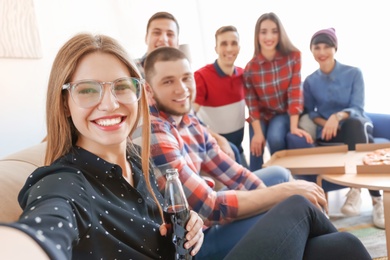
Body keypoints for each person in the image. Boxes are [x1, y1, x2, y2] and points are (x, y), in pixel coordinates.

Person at [137, 46, 371, 260]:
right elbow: (209, 206)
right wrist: (282, 195)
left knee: (279, 175)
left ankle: (307, 240)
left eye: (186, 78)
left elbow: (234, 174)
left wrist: (275, 199)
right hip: (197, 245)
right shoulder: (155, 132)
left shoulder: (188, 120)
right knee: (298, 206)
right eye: (168, 82)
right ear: (149, 89)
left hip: (208, 224)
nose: (182, 88)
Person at [0, 33, 205, 259]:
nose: (110, 104)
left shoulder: (136, 156)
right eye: (87, 90)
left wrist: (189, 229)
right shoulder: (63, 184)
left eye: (122, 86)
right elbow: (42, 231)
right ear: (65, 104)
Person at [287, 28, 384, 229]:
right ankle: (375, 199)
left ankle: (362, 193)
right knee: (365, 141)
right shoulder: (310, 82)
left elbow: (357, 107)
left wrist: (336, 116)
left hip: (355, 125)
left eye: (326, 46)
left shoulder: (354, 73)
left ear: (335, 48)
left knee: (355, 126)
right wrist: (327, 123)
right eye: (317, 47)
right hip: (329, 133)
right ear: (312, 51)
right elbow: (311, 113)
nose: (322, 51)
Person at [135, 11, 241, 165]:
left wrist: (217, 138)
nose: (163, 39)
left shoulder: (181, 69)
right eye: (156, 33)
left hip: (188, 139)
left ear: (177, 42)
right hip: (159, 147)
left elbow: (189, 116)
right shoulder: (132, 72)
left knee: (231, 150)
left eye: (170, 34)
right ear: (146, 37)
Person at [243, 12, 313, 171]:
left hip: (283, 113)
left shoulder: (293, 57)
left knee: (275, 138)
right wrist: (258, 133)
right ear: (257, 35)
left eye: (274, 31)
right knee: (255, 145)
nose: (269, 36)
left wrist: (294, 127)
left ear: (280, 33)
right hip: (261, 115)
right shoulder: (250, 68)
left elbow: (295, 93)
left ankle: (283, 180)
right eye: (264, 32)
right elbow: (252, 105)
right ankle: (255, 190)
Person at [193, 25, 248, 168]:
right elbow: (189, 118)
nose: (229, 49)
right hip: (216, 150)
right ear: (216, 48)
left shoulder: (244, 75)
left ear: (239, 48)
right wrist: (219, 140)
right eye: (224, 44)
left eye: (234, 43)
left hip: (237, 148)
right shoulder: (201, 77)